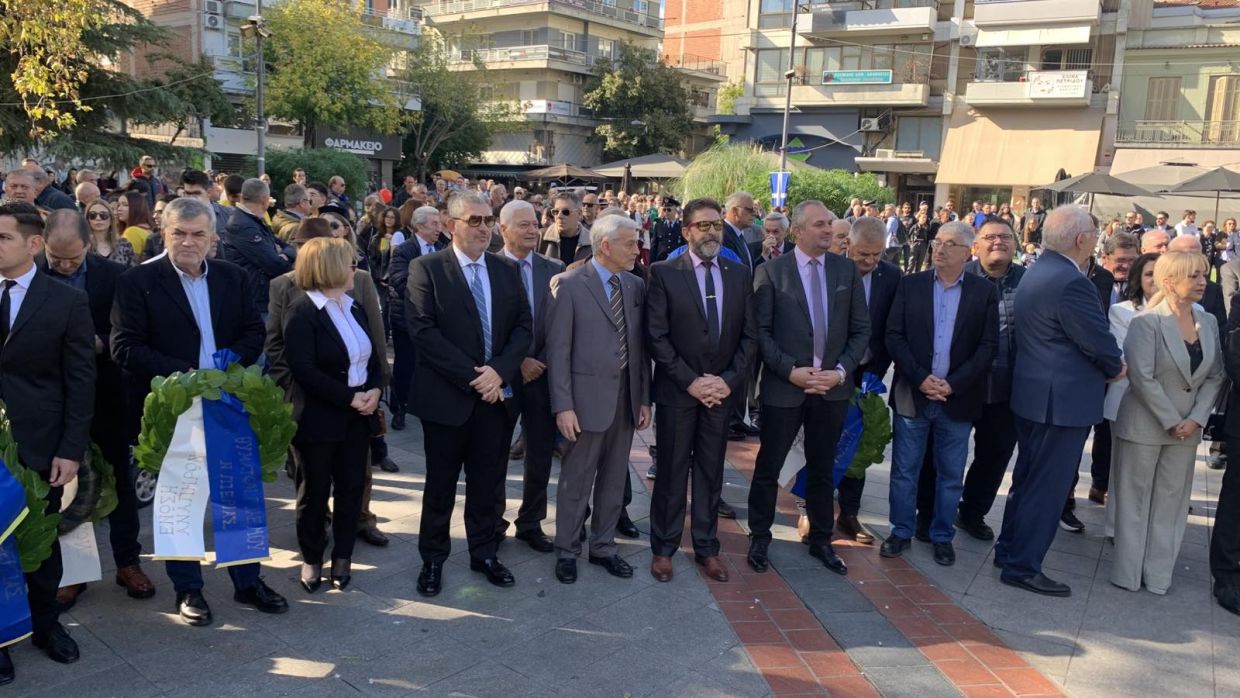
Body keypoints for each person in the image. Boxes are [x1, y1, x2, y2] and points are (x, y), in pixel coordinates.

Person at [110, 197, 287, 626]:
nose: (188, 242)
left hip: (228, 403)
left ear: (212, 238)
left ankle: (247, 581)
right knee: (180, 500)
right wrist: (189, 376)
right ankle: (188, 588)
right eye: (179, 234)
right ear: (164, 233)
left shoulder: (232, 277)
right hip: (174, 407)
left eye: (198, 235)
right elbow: (125, 347)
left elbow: (254, 331)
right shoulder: (137, 281)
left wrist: (230, 366)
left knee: (237, 493)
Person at [406, 192, 532, 597]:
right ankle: (433, 559)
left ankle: (485, 552)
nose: (483, 228)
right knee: (440, 485)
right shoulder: (426, 268)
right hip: (447, 399)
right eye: (474, 220)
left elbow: (523, 329)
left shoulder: (506, 269)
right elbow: (423, 331)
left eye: (488, 220)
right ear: (450, 224)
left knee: (487, 482)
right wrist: (476, 377)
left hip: (495, 399)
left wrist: (499, 372)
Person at [995, 205, 1124, 597]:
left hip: (1035, 396)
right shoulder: (1072, 282)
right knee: (1046, 488)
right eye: (1095, 236)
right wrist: (1116, 366)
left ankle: (1009, 550)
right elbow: (1098, 342)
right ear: (1081, 239)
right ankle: (1022, 566)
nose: (1096, 242)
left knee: (1028, 480)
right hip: (1061, 403)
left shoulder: (1038, 270)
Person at [746, 200, 870, 576]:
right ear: (798, 231)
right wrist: (790, 371)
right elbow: (761, 333)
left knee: (822, 467)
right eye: (819, 224)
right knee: (769, 465)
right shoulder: (771, 272)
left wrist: (841, 372)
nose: (828, 229)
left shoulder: (845, 270)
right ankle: (760, 536)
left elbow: (861, 329)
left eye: (829, 223)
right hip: (786, 388)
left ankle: (820, 539)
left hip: (831, 389)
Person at [0, 203, 96, 683]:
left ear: (33, 243)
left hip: (39, 447)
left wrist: (70, 450)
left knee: (39, 542)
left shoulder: (65, 302)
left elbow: (80, 382)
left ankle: (46, 624)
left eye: (3, 238)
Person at [40, 210, 154, 607]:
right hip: (51, 399)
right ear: (42, 244)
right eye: (56, 258)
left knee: (119, 479)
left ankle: (128, 562)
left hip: (107, 393)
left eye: (73, 258)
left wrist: (99, 342)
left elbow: (131, 331)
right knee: (66, 486)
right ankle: (74, 573)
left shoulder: (115, 276)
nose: (64, 266)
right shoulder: (30, 272)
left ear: (89, 244)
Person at [646, 198, 755, 583]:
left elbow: (749, 336)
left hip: (721, 394)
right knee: (672, 472)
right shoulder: (663, 272)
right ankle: (664, 547)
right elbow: (656, 336)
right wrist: (691, 381)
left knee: (710, 472)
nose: (712, 232)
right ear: (686, 231)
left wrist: (726, 381)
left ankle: (707, 547)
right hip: (678, 393)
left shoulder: (739, 274)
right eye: (703, 225)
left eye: (717, 225)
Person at [269, 218, 392, 548]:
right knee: (313, 481)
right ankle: (315, 535)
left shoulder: (358, 284)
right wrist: (294, 390)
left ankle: (359, 523)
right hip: (311, 404)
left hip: (359, 405)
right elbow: (278, 347)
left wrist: (377, 386)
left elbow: (375, 338)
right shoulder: (286, 289)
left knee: (356, 476)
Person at [882, 221, 998, 566]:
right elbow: (894, 336)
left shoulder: (983, 291)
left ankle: (942, 536)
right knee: (905, 470)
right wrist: (921, 378)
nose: (940, 249)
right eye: (937, 242)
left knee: (950, 474)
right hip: (913, 394)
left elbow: (988, 346)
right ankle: (900, 531)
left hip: (956, 399)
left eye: (950, 244)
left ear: (968, 252)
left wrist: (954, 383)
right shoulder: (911, 285)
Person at [547, 214, 651, 584]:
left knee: (614, 479)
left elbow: (639, 347)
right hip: (583, 402)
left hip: (626, 400)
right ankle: (567, 549)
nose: (637, 250)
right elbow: (558, 351)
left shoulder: (635, 286)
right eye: (630, 243)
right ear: (605, 246)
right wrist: (563, 406)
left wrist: (644, 399)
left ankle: (604, 546)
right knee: (576, 480)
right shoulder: (569, 284)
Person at [1112, 252, 1224, 594]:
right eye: (1194, 276)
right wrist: (1173, 420)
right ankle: (1128, 574)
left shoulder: (1209, 321)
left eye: (1204, 274)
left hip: (1187, 431)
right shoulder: (1146, 322)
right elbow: (1142, 377)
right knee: (1134, 501)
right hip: (1145, 425)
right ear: (1169, 281)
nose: (1203, 282)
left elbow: (1216, 375)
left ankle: (1159, 576)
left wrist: (1196, 419)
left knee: (1172, 504)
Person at [281, 238, 383, 592]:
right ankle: (312, 558)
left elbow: (372, 357)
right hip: (317, 420)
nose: (356, 270)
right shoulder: (302, 311)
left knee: (352, 488)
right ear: (330, 268)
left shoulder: (354, 307)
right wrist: (350, 398)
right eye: (351, 264)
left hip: (358, 417)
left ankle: (343, 556)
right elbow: (303, 370)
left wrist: (375, 390)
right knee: (314, 493)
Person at [497, 200, 565, 553]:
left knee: (540, 453)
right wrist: (517, 361)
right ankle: (493, 520)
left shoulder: (554, 269)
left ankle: (531, 522)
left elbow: (563, 326)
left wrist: (540, 360)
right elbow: (486, 327)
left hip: (543, 374)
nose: (532, 230)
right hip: (502, 377)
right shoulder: (487, 268)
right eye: (523, 224)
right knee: (495, 452)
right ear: (503, 229)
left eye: (535, 223)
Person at [834, 218, 899, 545]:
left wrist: (877, 370)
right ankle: (809, 508)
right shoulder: (831, 270)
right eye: (864, 254)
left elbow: (892, 329)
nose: (871, 261)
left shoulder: (892, 277)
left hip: (866, 373)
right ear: (848, 244)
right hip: (829, 372)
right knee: (820, 441)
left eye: (877, 254)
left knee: (858, 443)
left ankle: (849, 511)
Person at [387, 206, 449, 431]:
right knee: (405, 366)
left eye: (439, 223)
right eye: (434, 224)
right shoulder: (404, 250)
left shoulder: (443, 248)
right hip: (407, 320)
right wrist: (430, 295)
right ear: (420, 226)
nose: (439, 228)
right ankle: (399, 408)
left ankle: (428, 405)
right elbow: (399, 280)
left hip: (436, 322)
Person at [221, 178, 296, 318]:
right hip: (255, 302)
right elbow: (275, 265)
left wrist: (284, 253)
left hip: (262, 297)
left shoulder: (253, 220)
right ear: (264, 200)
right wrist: (282, 255)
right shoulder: (242, 225)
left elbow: (286, 247)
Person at [539, 191, 590, 266]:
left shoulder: (591, 241)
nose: (559, 216)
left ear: (579, 214)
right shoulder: (541, 236)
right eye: (556, 211)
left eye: (566, 212)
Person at [83, 199, 136, 267]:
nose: (98, 218)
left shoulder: (124, 244)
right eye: (92, 215)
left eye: (103, 215)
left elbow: (133, 270)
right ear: (87, 220)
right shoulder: (82, 245)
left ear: (111, 220)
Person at [116, 191, 154, 259]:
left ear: (137, 207)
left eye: (125, 205)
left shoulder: (132, 232)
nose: (119, 209)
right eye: (118, 205)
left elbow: (131, 260)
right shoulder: (148, 229)